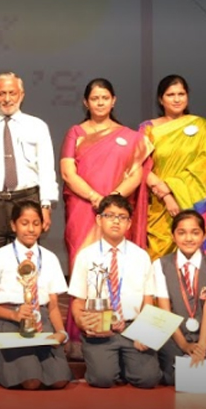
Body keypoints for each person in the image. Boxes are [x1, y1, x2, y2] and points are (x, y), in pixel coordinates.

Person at [60, 78, 153, 355]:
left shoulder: (130, 137)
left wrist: (112, 201)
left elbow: (136, 174)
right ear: (85, 102)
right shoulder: (76, 132)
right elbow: (68, 172)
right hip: (83, 208)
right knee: (84, 266)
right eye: (94, 98)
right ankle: (82, 336)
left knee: (119, 264)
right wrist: (95, 197)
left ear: (113, 101)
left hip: (117, 210)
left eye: (104, 98)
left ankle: (122, 331)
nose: (99, 103)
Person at [0, 72, 58, 272]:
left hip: (26, 200)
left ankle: (28, 294)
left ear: (21, 95)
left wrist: (46, 204)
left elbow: (46, 168)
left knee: (26, 263)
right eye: (2, 93)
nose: (7, 99)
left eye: (12, 93)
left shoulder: (37, 126)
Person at [68, 195, 162, 388]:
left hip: (133, 327)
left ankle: (123, 362)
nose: (116, 221)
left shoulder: (141, 256)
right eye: (109, 215)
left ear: (129, 223)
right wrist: (81, 321)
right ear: (99, 219)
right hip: (100, 328)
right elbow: (78, 301)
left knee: (149, 379)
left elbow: (148, 300)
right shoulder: (85, 256)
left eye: (122, 217)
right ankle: (112, 362)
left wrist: (145, 332)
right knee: (103, 379)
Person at [0, 200, 71, 390]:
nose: (31, 229)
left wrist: (61, 332)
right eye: (24, 223)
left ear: (42, 225)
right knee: (31, 381)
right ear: (13, 225)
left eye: (36, 223)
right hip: (9, 320)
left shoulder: (50, 258)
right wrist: (14, 315)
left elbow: (53, 305)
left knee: (59, 380)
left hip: (41, 320)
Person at [139, 74, 206, 260]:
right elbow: (141, 166)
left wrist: (171, 185)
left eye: (181, 94)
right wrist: (166, 195)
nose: (176, 99)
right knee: (159, 262)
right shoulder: (148, 129)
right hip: (160, 206)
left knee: (197, 262)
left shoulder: (202, 126)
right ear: (161, 99)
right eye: (170, 95)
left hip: (195, 205)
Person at [154, 210, 206, 385]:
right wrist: (184, 345)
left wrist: (202, 348)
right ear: (173, 236)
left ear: (204, 235)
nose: (189, 238)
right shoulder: (160, 265)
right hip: (174, 334)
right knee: (176, 378)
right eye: (182, 233)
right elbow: (165, 312)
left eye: (195, 232)